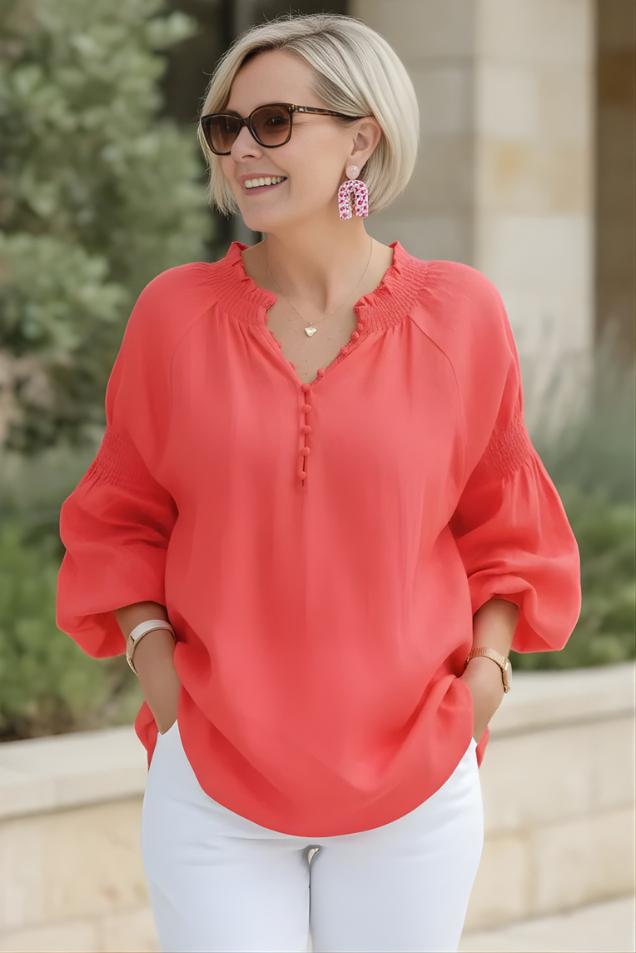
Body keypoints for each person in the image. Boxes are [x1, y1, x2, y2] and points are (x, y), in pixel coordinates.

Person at [56, 12, 581, 953]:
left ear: (361, 138)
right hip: (213, 782)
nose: (242, 150)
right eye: (227, 126)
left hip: (414, 785)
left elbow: (507, 529)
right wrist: (162, 678)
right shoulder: (172, 316)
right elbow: (119, 518)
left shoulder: (462, 315)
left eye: (274, 123)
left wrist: (484, 681)